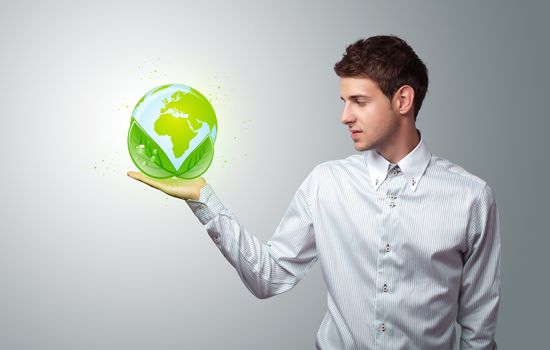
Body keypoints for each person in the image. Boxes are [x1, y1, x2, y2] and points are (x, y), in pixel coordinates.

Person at [127, 35, 501, 350]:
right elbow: (270, 277)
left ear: (403, 100)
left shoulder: (470, 198)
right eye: (344, 101)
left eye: (359, 101)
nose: (345, 116)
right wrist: (201, 198)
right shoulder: (326, 183)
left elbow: (479, 329)